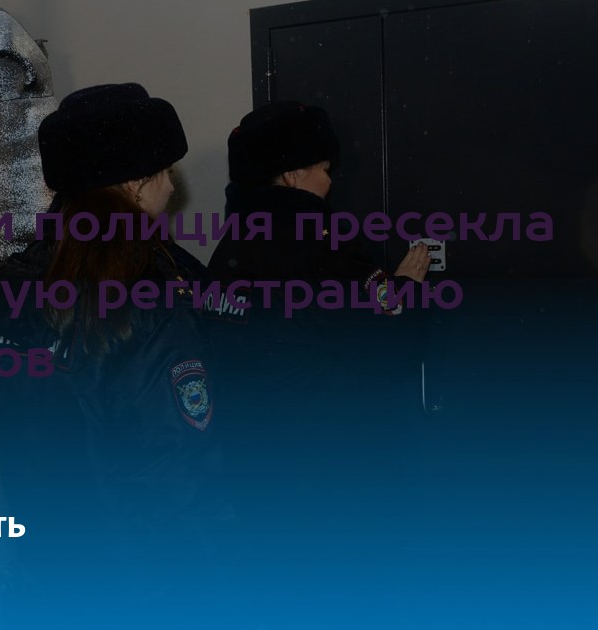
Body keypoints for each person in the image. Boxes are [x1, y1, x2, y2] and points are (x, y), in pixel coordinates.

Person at [0, 83, 229, 622]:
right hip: (149, 589)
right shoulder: (148, 293)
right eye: (165, 173)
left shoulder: (15, 285)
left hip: (54, 575)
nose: (171, 187)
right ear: (136, 185)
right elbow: (177, 468)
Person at [204, 101, 432, 620]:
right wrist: (407, 289)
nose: (331, 183)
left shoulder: (227, 250)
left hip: (257, 476)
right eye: (325, 169)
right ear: (292, 173)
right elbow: (385, 348)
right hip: (330, 480)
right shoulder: (320, 245)